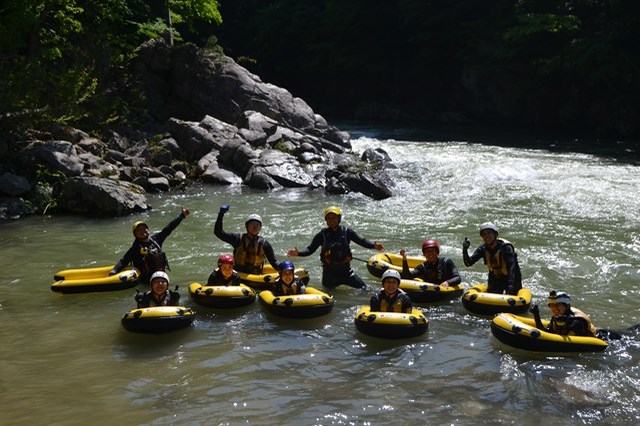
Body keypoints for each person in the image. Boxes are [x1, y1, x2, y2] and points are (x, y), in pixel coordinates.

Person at [287, 206, 384, 289]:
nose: (331, 220)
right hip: (329, 275)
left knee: (364, 289)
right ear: (326, 221)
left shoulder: (347, 232)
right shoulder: (322, 235)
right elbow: (310, 249)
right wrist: (298, 253)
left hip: (346, 272)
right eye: (329, 218)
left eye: (334, 217)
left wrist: (373, 245)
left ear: (339, 218)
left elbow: (361, 241)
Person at [110, 206, 190, 284]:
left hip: (160, 276)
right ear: (135, 235)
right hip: (145, 280)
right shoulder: (135, 248)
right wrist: (114, 271)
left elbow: (169, 228)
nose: (142, 231)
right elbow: (124, 261)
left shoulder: (157, 238)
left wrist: (182, 216)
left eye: (144, 228)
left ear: (148, 230)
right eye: (138, 230)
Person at [214, 204, 279, 274]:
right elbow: (218, 233)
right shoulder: (237, 239)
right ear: (247, 226)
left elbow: (274, 262)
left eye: (257, 225)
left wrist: (285, 269)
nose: (255, 227)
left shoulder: (264, 244)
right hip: (238, 274)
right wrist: (221, 215)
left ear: (260, 228)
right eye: (252, 224)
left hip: (255, 276)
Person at [462, 222, 522, 295]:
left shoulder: (506, 248)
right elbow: (468, 263)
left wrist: (510, 288)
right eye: (484, 234)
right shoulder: (483, 249)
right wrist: (465, 250)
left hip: (512, 278)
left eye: (489, 233)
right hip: (496, 279)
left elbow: (512, 269)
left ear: (495, 234)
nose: (486, 236)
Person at [530, 291, 596, 337]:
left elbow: (565, 340)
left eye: (558, 305)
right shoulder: (557, 317)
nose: (555, 308)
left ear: (567, 306)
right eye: (552, 305)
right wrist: (536, 315)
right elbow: (546, 333)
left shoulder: (577, 322)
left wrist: (564, 324)